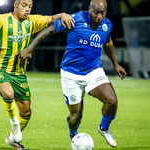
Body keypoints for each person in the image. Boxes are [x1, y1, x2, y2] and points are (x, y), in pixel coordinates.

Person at [0, 0, 75, 149]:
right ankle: (14, 123)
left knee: (26, 112)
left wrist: (63, 14)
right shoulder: (1, 20)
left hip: (19, 74)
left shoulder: (32, 21)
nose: (27, 9)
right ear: (15, 5)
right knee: (8, 93)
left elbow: (51, 18)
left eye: (29, 6)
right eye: (24, 5)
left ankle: (12, 139)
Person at [16, 0, 127, 148]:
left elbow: (107, 42)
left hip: (93, 71)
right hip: (71, 74)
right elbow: (49, 30)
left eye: (103, 13)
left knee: (112, 101)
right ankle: (74, 136)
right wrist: (30, 48)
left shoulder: (107, 25)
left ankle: (104, 128)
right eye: (96, 12)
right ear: (89, 9)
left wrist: (115, 64)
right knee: (76, 117)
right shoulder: (75, 19)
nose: (99, 16)